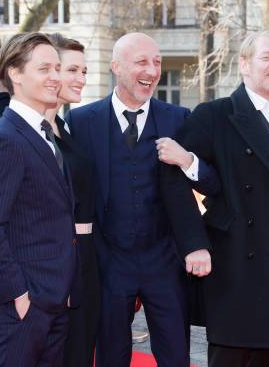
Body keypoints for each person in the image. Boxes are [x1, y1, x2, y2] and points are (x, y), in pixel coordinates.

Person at [167, 30, 269, 367]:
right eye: (267, 57)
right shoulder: (215, 115)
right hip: (236, 264)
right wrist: (193, 243)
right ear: (244, 65)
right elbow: (172, 180)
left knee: (268, 358)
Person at [66, 32, 213, 367]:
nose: (152, 70)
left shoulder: (179, 118)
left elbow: (212, 180)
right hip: (109, 262)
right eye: (142, 62)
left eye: (157, 62)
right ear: (116, 66)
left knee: (176, 356)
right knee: (110, 356)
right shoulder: (81, 121)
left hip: (165, 260)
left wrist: (188, 160)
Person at [0, 32, 77, 367]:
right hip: (23, 306)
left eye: (58, 68)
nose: (56, 77)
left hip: (53, 298)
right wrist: (18, 294)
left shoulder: (43, 134)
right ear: (15, 74)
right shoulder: (6, 138)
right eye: (45, 68)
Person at [41, 33, 99, 367]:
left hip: (84, 266)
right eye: (73, 70)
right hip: (53, 270)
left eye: (84, 71)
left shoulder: (65, 126)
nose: (81, 79)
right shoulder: (29, 132)